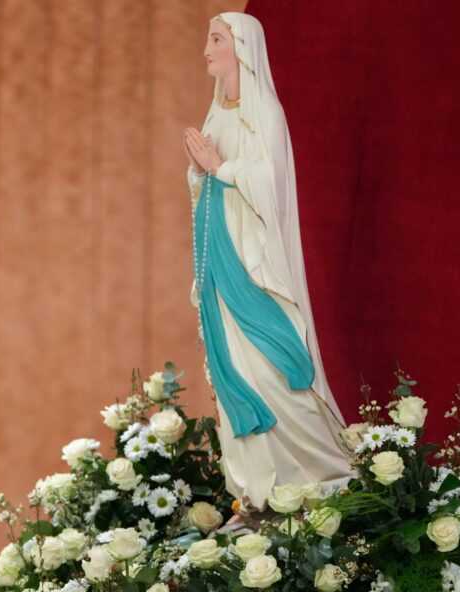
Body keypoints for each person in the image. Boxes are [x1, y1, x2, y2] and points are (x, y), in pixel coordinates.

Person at [181, 13, 353, 512]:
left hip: (252, 268)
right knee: (230, 364)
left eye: (216, 40)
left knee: (269, 369)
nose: (207, 49)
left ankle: (317, 474)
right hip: (218, 256)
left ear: (242, 48)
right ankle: (255, 494)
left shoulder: (266, 113)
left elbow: (269, 186)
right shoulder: (217, 114)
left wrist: (220, 167)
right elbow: (210, 186)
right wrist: (199, 173)